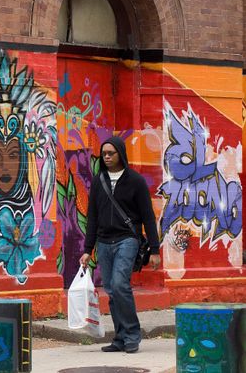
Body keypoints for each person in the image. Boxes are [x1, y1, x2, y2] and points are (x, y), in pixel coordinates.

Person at [79, 136, 161, 354]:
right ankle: (120, 338)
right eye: (103, 153)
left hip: (127, 239)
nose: (106, 157)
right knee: (112, 290)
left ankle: (133, 334)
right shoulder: (99, 181)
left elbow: (148, 217)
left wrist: (155, 249)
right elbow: (93, 217)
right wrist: (88, 250)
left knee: (119, 284)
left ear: (120, 154)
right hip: (104, 242)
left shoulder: (135, 181)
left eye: (110, 153)